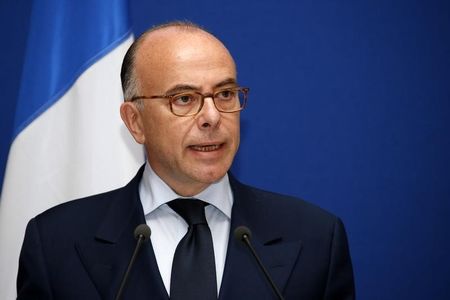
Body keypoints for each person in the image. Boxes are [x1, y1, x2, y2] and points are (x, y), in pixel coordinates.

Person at [17, 21, 355, 299]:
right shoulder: (54, 244)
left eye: (224, 94)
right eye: (184, 98)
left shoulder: (317, 238)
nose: (212, 116)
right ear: (136, 122)